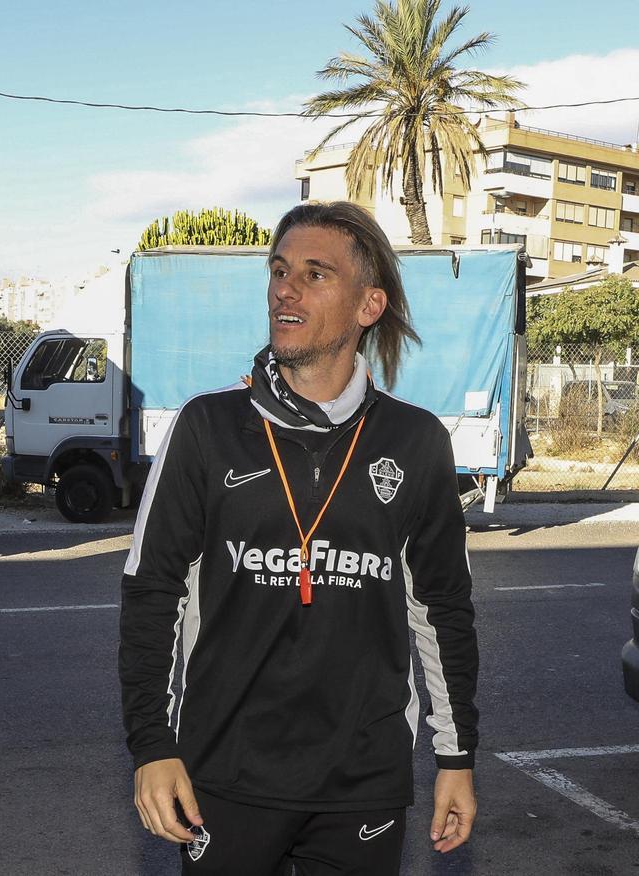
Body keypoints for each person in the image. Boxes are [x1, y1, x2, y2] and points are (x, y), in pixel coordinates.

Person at [119, 201, 478, 875]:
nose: (286, 289)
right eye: (280, 271)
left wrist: (456, 758)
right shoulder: (207, 428)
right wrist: (152, 746)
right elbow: (151, 592)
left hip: (362, 782)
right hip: (224, 775)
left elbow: (442, 612)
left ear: (368, 305)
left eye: (315, 275)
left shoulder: (416, 441)